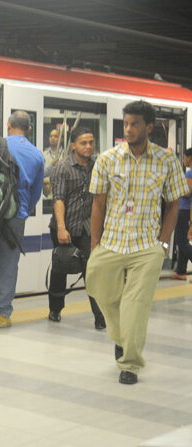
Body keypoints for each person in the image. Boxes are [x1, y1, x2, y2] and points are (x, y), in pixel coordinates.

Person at [86, 100, 186, 385]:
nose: (128, 129)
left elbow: (174, 203)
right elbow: (98, 204)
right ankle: (121, 336)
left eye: (134, 124)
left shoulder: (167, 161)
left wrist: (163, 244)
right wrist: (95, 245)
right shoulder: (107, 159)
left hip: (146, 246)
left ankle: (129, 362)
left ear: (149, 127)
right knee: (98, 287)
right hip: (112, 241)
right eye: (126, 123)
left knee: (136, 304)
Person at [0, 110, 44, 328]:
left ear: (8, 125)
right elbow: (36, 192)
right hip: (16, 215)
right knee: (9, 262)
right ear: (29, 129)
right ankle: (3, 314)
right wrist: (22, 210)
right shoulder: (37, 155)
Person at [47, 127, 105, 329]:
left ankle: (100, 316)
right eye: (83, 143)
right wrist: (62, 228)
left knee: (93, 271)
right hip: (65, 226)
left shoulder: (97, 165)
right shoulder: (63, 167)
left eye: (91, 142)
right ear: (73, 146)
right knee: (60, 269)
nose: (88, 146)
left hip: (88, 228)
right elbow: (59, 199)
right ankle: (55, 309)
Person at [171, 147, 192, 280]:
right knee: (183, 240)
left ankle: (181, 270)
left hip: (183, 209)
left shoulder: (190, 173)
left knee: (181, 241)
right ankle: (181, 271)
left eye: (184, 157)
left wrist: (175, 188)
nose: (183, 160)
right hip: (186, 210)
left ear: (189, 158)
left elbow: (187, 192)